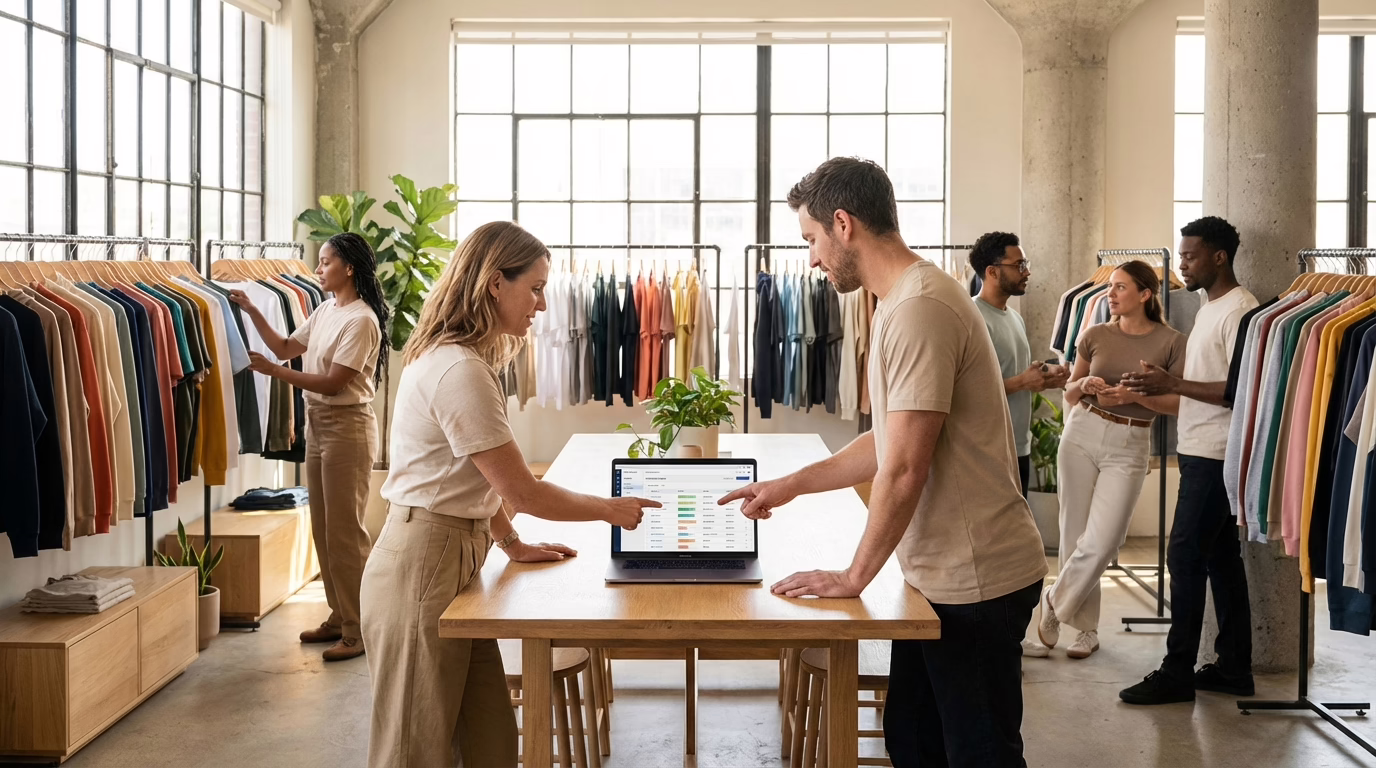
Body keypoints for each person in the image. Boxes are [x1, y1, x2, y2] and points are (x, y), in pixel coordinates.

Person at [719, 158, 1047, 767]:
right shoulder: (900, 300)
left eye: (811, 240)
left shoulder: (921, 308)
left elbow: (904, 469)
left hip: (977, 580)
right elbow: (888, 442)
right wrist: (792, 485)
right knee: (913, 741)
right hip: (939, 577)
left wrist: (853, 578)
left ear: (843, 224)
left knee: (977, 754)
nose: (811, 260)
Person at [358, 220, 658, 768]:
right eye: (535, 288)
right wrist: (611, 511)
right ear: (496, 283)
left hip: (450, 556)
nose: (541, 305)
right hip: (424, 561)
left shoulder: (460, 359)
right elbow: (521, 488)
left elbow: (476, 479)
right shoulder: (460, 370)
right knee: (413, 750)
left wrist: (510, 542)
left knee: (488, 741)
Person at [228, 232, 388, 662]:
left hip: (347, 427)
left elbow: (335, 383)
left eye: (325, 262)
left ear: (348, 267)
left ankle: (358, 631)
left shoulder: (361, 319)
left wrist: (275, 373)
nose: (318, 270)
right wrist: (251, 310)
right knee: (323, 527)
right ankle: (339, 617)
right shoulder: (325, 311)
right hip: (318, 425)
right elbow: (283, 347)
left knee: (346, 533)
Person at [1118, 216, 1258, 705]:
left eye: (1190, 255)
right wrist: (1159, 382)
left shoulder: (1241, 310)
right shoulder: (1208, 309)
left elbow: (1242, 390)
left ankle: (1177, 671)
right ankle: (1234, 668)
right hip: (1199, 449)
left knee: (1184, 555)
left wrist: (1173, 384)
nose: (1182, 265)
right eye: (1180, 255)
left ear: (1219, 256)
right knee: (1221, 560)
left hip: (1217, 455)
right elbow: (1205, 382)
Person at [1036, 261, 1186, 661]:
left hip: (1131, 441)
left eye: (1120, 287)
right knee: (1074, 534)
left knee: (1103, 541)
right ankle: (1085, 630)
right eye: (1110, 287)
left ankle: (1052, 603)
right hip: (1083, 431)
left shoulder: (1172, 342)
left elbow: (1177, 403)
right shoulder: (1095, 333)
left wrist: (1133, 397)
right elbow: (1068, 394)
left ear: (1145, 295)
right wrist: (1081, 383)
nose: (1111, 294)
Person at [969, 231, 1069, 497]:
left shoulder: (1014, 318)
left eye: (1026, 264)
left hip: (1019, 446)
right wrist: (1023, 381)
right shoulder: (971, 319)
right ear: (992, 272)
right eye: (1019, 266)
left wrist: (1046, 377)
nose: (1027, 272)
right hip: (987, 450)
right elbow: (966, 391)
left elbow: (1012, 374)